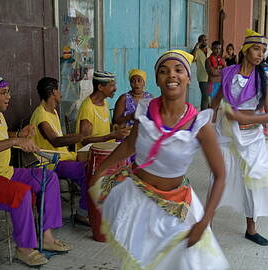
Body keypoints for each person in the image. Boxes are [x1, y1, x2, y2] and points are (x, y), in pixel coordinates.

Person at [89, 50, 229, 269]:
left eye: (178, 70)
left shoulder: (200, 124)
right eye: (163, 71)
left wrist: (204, 222)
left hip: (176, 208)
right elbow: (128, 145)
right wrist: (99, 170)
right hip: (137, 200)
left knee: (177, 263)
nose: (171, 75)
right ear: (156, 80)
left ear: (188, 78)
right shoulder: (145, 112)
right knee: (142, 262)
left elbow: (220, 176)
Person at [0, 77, 71, 266]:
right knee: (21, 194)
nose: (9, 96)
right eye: (3, 93)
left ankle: (46, 236)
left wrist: (18, 135)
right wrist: (15, 142)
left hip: (7, 171)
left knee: (48, 178)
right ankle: (24, 248)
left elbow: (3, 138)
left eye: (8, 91)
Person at [211, 29, 268, 246]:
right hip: (226, 135)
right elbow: (217, 100)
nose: (260, 54)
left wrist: (249, 120)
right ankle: (207, 226)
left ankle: (251, 230)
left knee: (252, 184)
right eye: (256, 49)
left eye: (263, 50)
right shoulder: (229, 73)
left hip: (252, 139)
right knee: (218, 178)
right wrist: (207, 117)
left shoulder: (264, 78)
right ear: (245, 50)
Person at [29, 77, 88, 225]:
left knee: (94, 163)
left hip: (62, 158)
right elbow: (55, 140)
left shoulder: (53, 112)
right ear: (53, 92)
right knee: (87, 171)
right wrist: (80, 137)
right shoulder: (40, 115)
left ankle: (90, 206)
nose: (61, 93)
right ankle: (83, 213)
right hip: (50, 162)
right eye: (59, 90)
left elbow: (59, 139)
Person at [75, 71, 129, 151]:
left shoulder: (104, 103)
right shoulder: (88, 108)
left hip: (106, 149)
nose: (115, 88)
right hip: (91, 155)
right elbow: (84, 141)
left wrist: (116, 129)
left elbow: (102, 127)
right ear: (100, 87)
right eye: (112, 85)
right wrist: (111, 136)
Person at [192, 34, 212, 110]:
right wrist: (196, 47)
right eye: (202, 40)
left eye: (205, 40)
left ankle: (210, 113)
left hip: (211, 77)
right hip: (202, 77)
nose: (204, 42)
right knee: (205, 97)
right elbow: (193, 58)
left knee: (210, 97)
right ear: (199, 42)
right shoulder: (197, 51)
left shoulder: (210, 50)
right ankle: (203, 114)